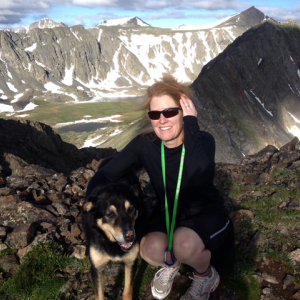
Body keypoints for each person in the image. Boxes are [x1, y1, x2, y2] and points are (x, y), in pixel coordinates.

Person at [86, 74, 235, 300]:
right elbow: (106, 172)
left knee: (184, 243)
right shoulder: (145, 145)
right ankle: (171, 266)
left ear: (183, 112)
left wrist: (192, 123)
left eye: (170, 112)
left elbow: (201, 175)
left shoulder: (203, 140)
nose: (162, 120)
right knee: (148, 248)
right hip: (168, 213)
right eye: (155, 114)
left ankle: (206, 276)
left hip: (206, 213)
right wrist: (93, 201)